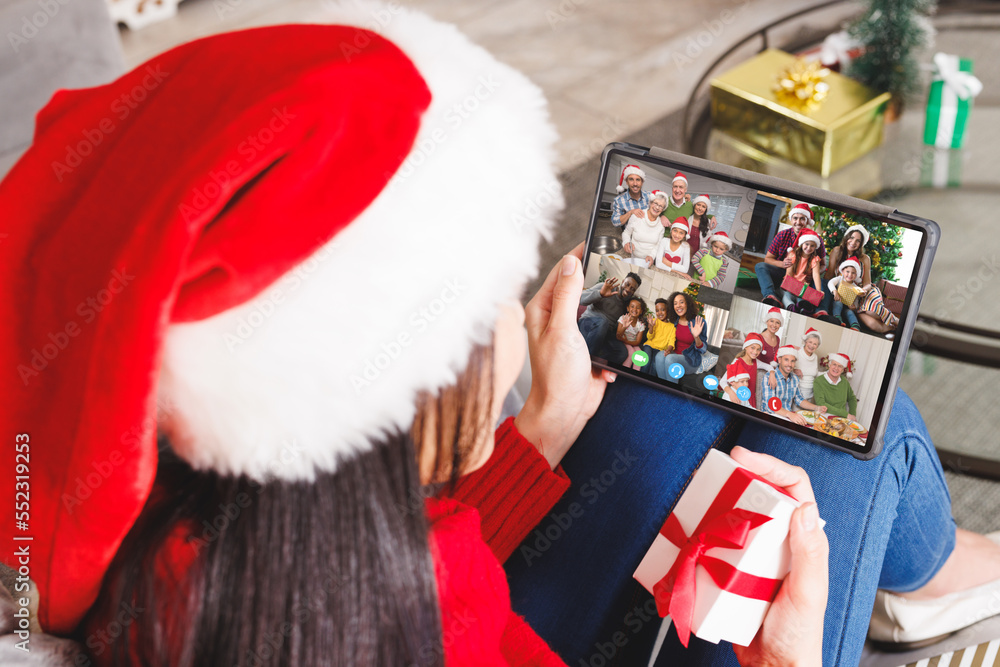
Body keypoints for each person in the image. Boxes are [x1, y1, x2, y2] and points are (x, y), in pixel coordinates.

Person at [7, 13, 1000, 667]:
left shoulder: (204, 545)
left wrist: (538, 432)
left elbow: (382, 531)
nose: (506, 318)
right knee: (846, 433)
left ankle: (928, 574)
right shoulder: (432, 614)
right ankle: (937, 572)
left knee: (671, 389)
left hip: (493, 591)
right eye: (472, 309)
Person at [754, 203, 827, 309]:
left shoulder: (816, 240)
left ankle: (817, 310)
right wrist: (782, 264)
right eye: (795, 218)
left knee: (822, 283)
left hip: (805, 278)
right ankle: (771, 296)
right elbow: (767, 259)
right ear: (791, 219)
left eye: (802, 219)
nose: (798, 222)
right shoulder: (782, 235)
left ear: (807, 221)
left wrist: (812, 272)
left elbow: (823, 265)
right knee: (760, 266)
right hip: (783, 273)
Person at [578, 273, 641, 365]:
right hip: (588, 324)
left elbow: (619, 326)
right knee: (603, 322)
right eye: (627, 284)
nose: (628, 290)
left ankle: (594, 359)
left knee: (622, 353)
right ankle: (584, 362)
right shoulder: (605, 287)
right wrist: (600, 294)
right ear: (622, 282)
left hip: (605, 334)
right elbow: (581, 299)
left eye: (632, 289)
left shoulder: (626, 305)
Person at [829, 256, 899, 335]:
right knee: (872, 324)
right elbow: (830, 283)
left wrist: (862, 291)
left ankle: (896, 321)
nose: (849, 275)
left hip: (866, 292)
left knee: (871, 311)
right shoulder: (840, 279)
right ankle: (891, 327)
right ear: (842, 271)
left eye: (853, 273)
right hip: (858, 307)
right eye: (847, 272)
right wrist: (835, 292)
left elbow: (864, 287)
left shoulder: (855, 284)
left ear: (856, 274)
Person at [761, 345, 828, 425]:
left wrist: (817, 407)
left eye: (792, 361)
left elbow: (799, 399)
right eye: (786, 360)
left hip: (788, 417)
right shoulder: (769, 377)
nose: (789, 364)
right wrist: (790, 414)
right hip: (770, 416)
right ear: (779, 360)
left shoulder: (795, 378)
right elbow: (771, 405)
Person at [821, 225, 872, 317]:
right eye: (851, 238)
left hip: (857, 294)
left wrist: (863, 290)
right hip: (840, 290)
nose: (853, 242)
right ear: (846, 237)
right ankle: (823, 311)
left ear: (861, 244)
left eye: (858, 241)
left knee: (871, 313)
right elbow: (829, 274)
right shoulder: (837, 251)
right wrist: (827, 290)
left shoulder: (865, 258)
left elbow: (868, 283)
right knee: (824, 285)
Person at [660, 290, 707, 381]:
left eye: (681, 302)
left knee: (670, 359)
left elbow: (703, 350)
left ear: (687, 304)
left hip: (690, 359)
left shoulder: (698, 322)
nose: (678, 306)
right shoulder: (674, 321)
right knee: (659, 356)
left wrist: (696, 337)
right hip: (674, 353)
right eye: (675, 303)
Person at [781, 229, 824, 313]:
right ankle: (791, 307)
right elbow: (788, 273)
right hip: (789, 285)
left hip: (802, 288)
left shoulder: (815, 260)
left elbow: (816, 275)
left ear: (815, 247)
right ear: (802, 243)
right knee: (786, 296)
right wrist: (790, 285)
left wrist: (818, 290)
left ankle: (802, 309)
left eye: (812, 246)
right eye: (806, 244)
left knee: (800, 299)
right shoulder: (793, 254)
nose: (808, 248)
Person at [622, 190, 669, 266]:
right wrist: (626, 242)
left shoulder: (661, 225)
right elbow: (626, 233)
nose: (657, 207)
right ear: (650, 203)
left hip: (648, 262)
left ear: (663, 209)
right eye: (655, 203)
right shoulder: (637, 216)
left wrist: (652, 256)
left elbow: (658, 245)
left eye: (660, 206)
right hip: (633, 259)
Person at [812, 353, 859, 420]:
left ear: (842, 370)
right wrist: (846, 414)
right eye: (834, 364)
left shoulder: (844, 381)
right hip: (824, 415)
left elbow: (852, 398)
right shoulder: (819, 381)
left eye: (840, 366)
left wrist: (852, 415)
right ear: (829, 365)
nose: (836, 368)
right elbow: (821, 403)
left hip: (841, 418)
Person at [722, 332, 764, 408]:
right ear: (746, 347)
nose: (755, 352)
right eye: (752, 348)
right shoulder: (737, 362)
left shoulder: (756, 362)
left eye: (758, 349)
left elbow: (768, 367)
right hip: (736, 396)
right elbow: (722, 381)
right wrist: (732, 394)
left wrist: (771, 372)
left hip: (749, 400)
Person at [641, 297, 676, 379]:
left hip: (660, 350)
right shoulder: (654, 321)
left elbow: (671, 341)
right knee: (646, 361)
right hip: (649, 345)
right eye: (657, 310)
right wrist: (651, 327)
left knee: (654, 366)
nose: (659, 312)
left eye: (662, 310)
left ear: (667, 311)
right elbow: (649, 337)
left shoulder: (672, 327)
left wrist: (669, 349)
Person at [611, 163, 650, 228]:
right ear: (626, 181)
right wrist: (630, 212)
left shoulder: (649, 196)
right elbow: (615, 222)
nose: (635, 183)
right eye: (631, 179)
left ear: (642, 182)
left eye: (638, 180)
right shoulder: (619, 200)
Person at [790, 327, 823, 401]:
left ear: (817, 346)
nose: (812, 345)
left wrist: (829, 373)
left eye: (815, 344)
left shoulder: (815, 356)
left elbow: (815, 373)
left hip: (810, 392)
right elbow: (785, 367)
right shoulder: (797, 352)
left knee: (806, 412)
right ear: (805, 342)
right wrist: (793, 369)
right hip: (797, 391)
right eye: (810, 342)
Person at [618, 296, 648, 368]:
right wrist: (624, 327)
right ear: (628, 308)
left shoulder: (640, 325)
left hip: (632, 342)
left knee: (640, 354)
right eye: (632, 306)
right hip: (623, 342)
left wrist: (626, 340)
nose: (635, 309)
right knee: (631, 352)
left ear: (641, 311)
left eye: (638, 308)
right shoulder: (623, 319)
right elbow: (618, 335)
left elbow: (637, 342)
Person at [758, 307, 784, 371]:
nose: (774, 325)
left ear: (780, 325)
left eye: (777, 322)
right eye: (771, 321)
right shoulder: (759, 337)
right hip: (760, 371)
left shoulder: (777, 339)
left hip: (773, 371)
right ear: (767, 322)